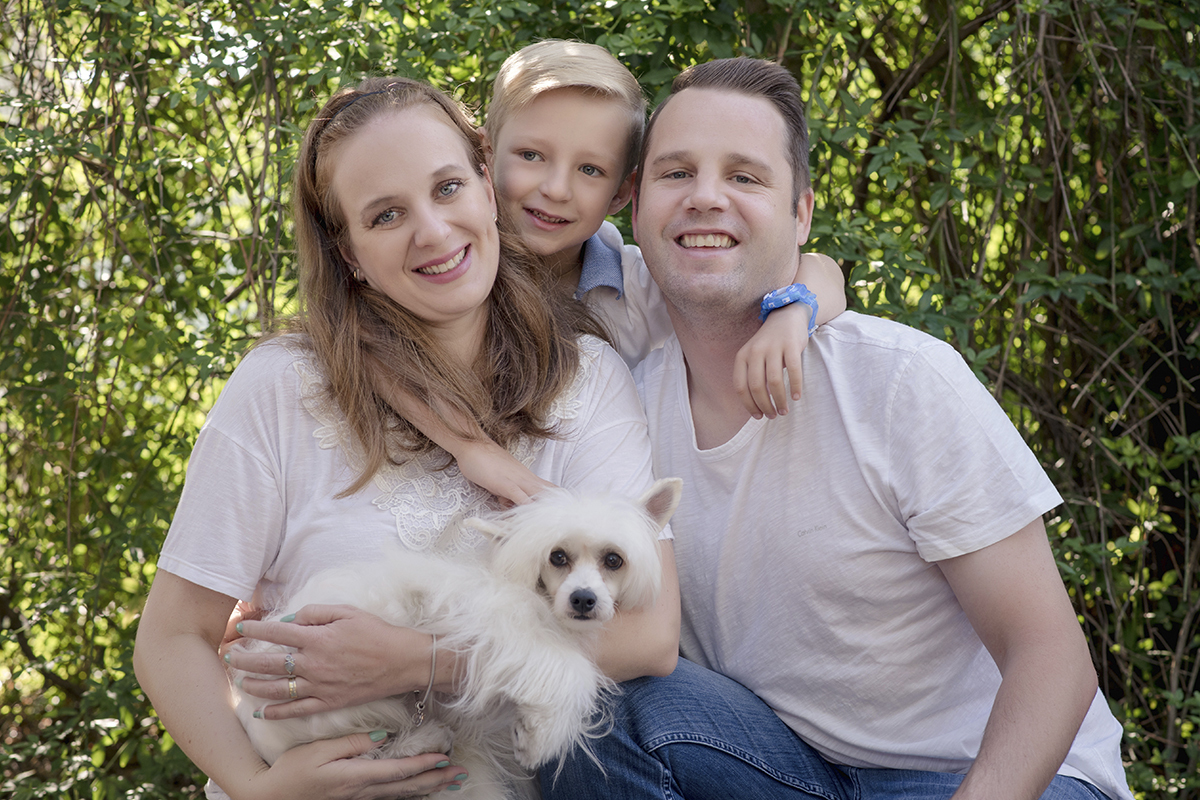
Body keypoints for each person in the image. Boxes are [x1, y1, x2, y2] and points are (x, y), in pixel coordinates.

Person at [543, 58, 1133, 800]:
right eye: (676, 173)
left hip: (985, 773)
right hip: (783, 763)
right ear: (634, 206)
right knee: (590, 709)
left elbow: (1051, 657)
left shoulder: (899, 381)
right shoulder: (624, 401)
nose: (705, 198)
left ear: (802, 215)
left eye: (746, 177)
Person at [132, 76, 680, 800]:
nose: (432, 230)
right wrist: (256, 787)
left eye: (448, 187)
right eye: (386, 214)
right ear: (348, 248)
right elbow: (172, 639)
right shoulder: (280, 388)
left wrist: (417, 660)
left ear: (487, 183)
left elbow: (646, 639)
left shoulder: (587, 380)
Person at [380, 40, 848, 506]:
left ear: (623, 194)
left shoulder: (639, 286)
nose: (556, 188)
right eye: (530, 155)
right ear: (484, 155)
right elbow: (366, 335)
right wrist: (469, 447)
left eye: (589, 169)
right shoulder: (449, 262)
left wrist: (792, 312)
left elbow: (820, 268)